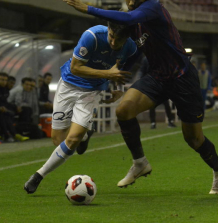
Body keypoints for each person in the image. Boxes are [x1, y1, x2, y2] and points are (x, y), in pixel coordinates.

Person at [62, 0, 218, 194]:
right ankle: (140, 162)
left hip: (182, 78)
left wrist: (88, 9)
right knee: (124, 110)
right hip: (158, 76)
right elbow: (134, 54)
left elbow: (129, 19)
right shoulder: (134, 19)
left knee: (194, 139)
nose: (130, 3)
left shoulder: (152, 8)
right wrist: (118, 81)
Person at [24, 22, 138, 194]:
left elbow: (120, 69)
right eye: (112, 37)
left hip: (92, 92)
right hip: (68, 86)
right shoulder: (92, 36)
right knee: (58, 140)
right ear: (108, 29)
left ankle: (39, 175)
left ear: (127, 37)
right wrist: (108, 75)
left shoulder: (130, 47)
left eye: (119, 39)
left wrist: (118, 88)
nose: (114, 43)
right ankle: (85, 135)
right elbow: (75, 68)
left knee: (72, 140)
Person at [139, 56, 176, 129]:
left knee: (166, 104)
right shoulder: (146, 59)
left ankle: (170, 121)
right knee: (152, 105)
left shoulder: (159, 57)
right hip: (152, 84)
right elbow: (142, 71)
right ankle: (153, 122)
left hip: (161, 84)